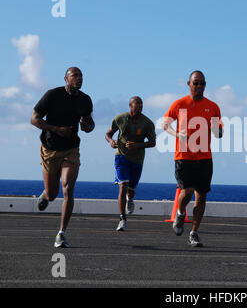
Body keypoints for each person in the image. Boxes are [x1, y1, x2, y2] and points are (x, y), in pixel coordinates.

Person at [30, 67, 95, 248]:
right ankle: (46, 194)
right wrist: (57, 130)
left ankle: (61, 233)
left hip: (71, 149)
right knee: (52, 194)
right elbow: (34, 119)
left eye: (81, 75)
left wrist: (87, 125)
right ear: (66, 78)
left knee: (68, 187)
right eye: (75, 75)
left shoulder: (85, 100)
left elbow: (90, 124)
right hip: (50, 148)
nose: (79, 78)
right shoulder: (52, 95)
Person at [163, 70, 223, 247]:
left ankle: (194, 233)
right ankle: (180, 213)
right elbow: (165, 124)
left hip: (204, 157)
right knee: (187, 191)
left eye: (202, 83)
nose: (199, 86)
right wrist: (177, 134)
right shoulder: (179, 104)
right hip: (183, 156)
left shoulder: (212, 106)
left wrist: (217, 130)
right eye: (195, 83)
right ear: (188, 84)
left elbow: (220, 132)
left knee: (201, 196)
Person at [105, 96, 156, 231]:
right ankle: (122, 219)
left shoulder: (147, 123)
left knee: (131, 189)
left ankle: (130, 199)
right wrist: (111, 141)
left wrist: (137, 145)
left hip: (137, 160)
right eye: (137, 103)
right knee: (123, 186)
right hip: (121, 157)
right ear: (130, 105)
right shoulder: (120, 119)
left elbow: (152, 142)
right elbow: (108, 134)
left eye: (141, 104)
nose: (139, 106)